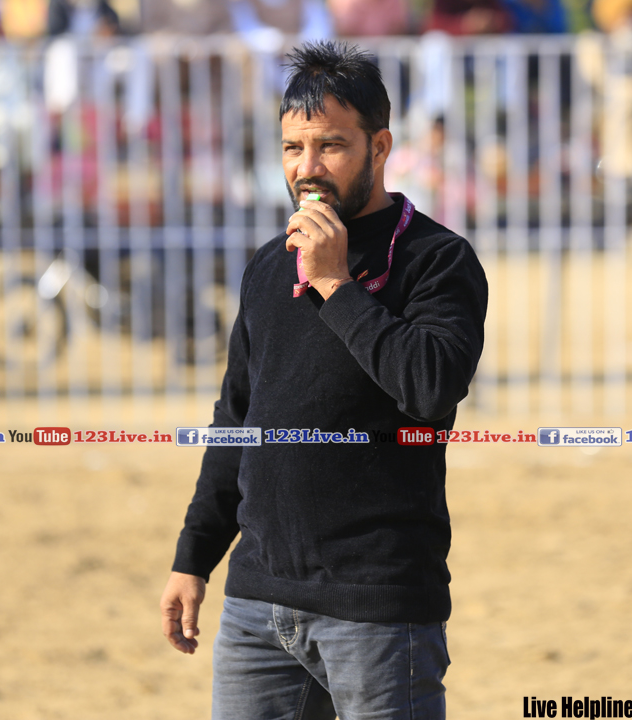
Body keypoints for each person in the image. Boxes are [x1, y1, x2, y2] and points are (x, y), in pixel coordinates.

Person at [159, 40, 489, 719]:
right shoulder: (267, 265)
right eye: (292, 148)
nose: (307, 168)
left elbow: (431, 389)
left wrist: (336, 284)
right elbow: (236, 420)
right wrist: (193, 557)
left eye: (331, 146)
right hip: (256, 603)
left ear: (380, 146)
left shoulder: (438, 260)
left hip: (377, 605)